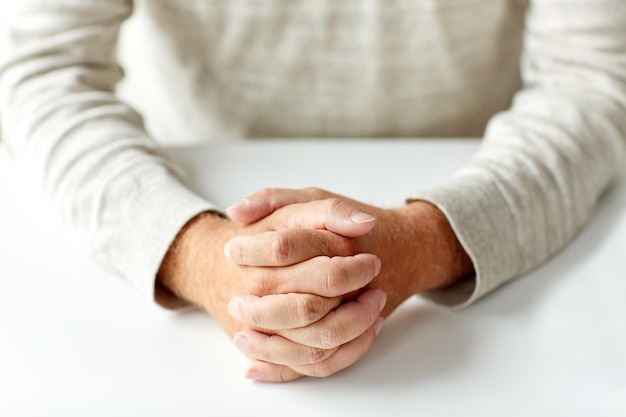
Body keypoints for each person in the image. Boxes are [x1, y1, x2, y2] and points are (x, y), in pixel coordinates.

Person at [1, 0, 624, 383]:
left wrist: (428, 241)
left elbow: (593, 80)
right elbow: (40, 70)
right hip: (191, 184)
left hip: (482, 188)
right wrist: (198, 254)